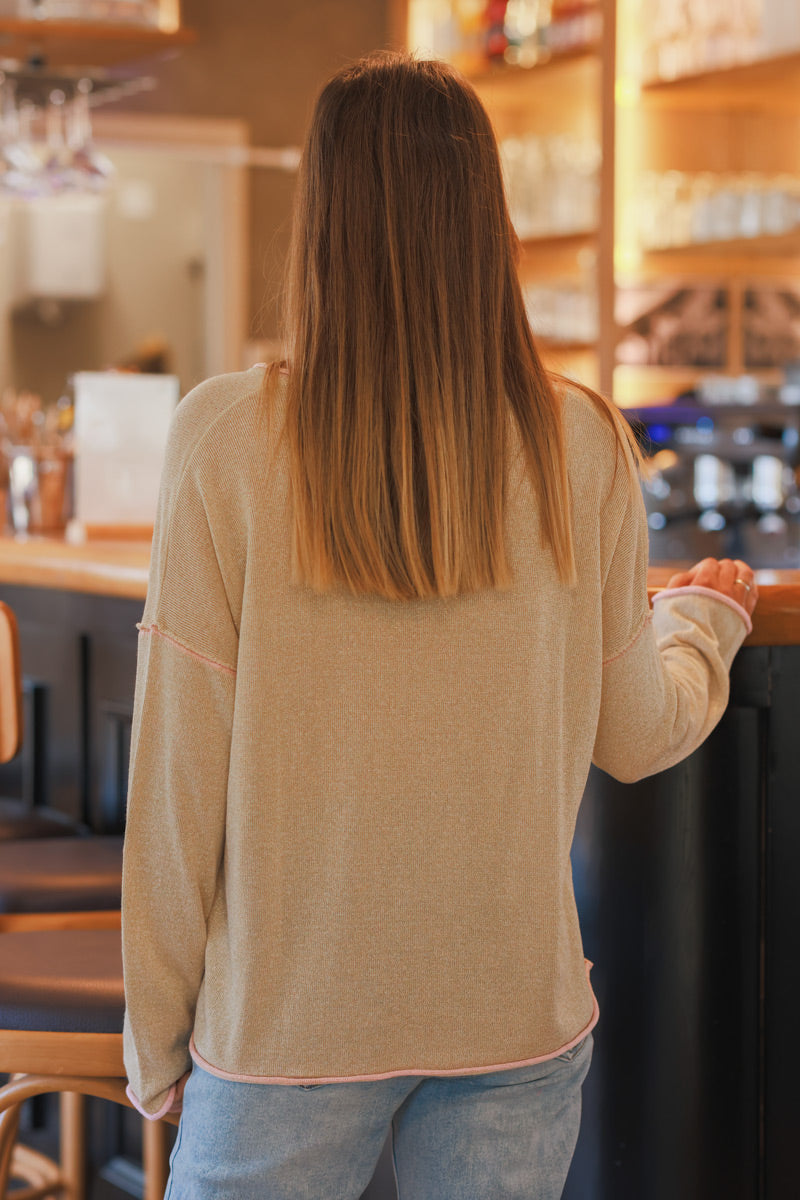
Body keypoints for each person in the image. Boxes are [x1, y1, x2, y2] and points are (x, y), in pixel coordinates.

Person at [121, 50, 758, 1200]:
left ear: (321, 222)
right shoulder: (581, 442)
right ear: (486, 223)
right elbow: (633, 732)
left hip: (287, 1032)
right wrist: (703, 623)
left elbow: (178, 773)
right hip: (511, 1019)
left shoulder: (225, 439)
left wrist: (155, 1036)